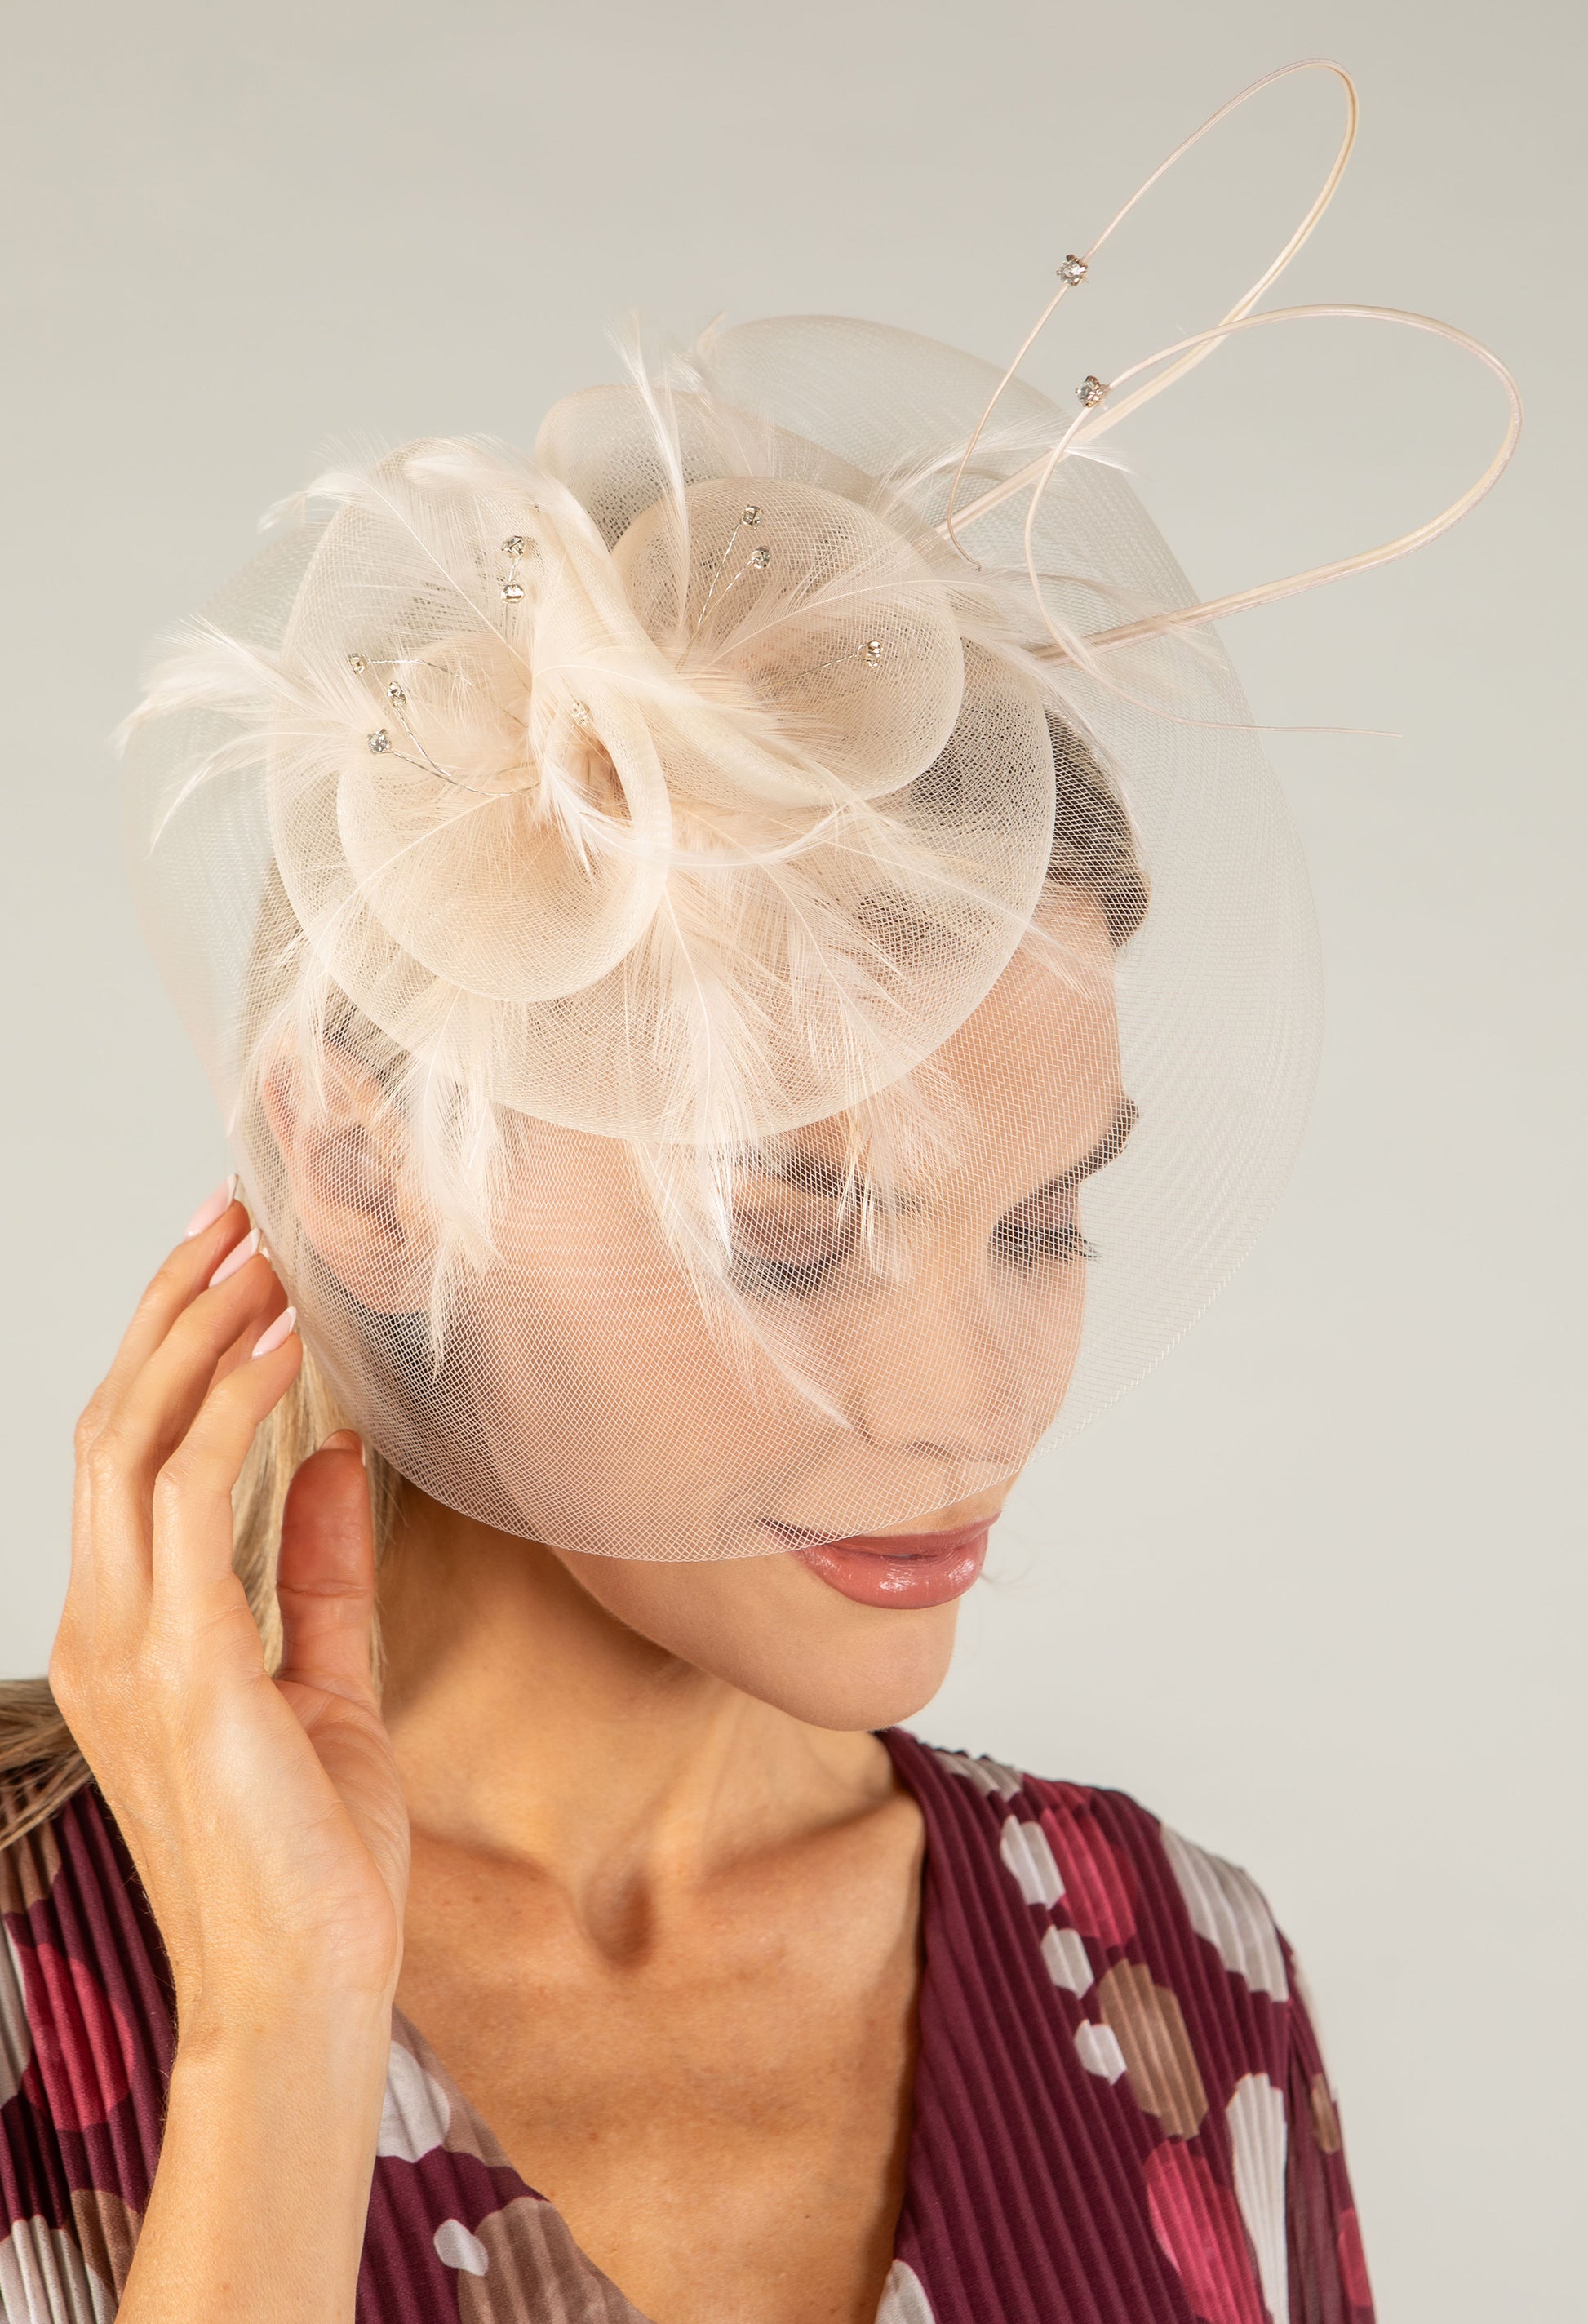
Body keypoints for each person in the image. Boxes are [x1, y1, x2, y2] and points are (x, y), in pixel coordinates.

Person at [0, 64, 1513, 2324]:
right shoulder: (42, 2001)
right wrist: (284, 2028)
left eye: (1038, 1223)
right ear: (365, 1166)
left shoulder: (1182, 1996)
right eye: (789, 1232)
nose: (963, 1411)